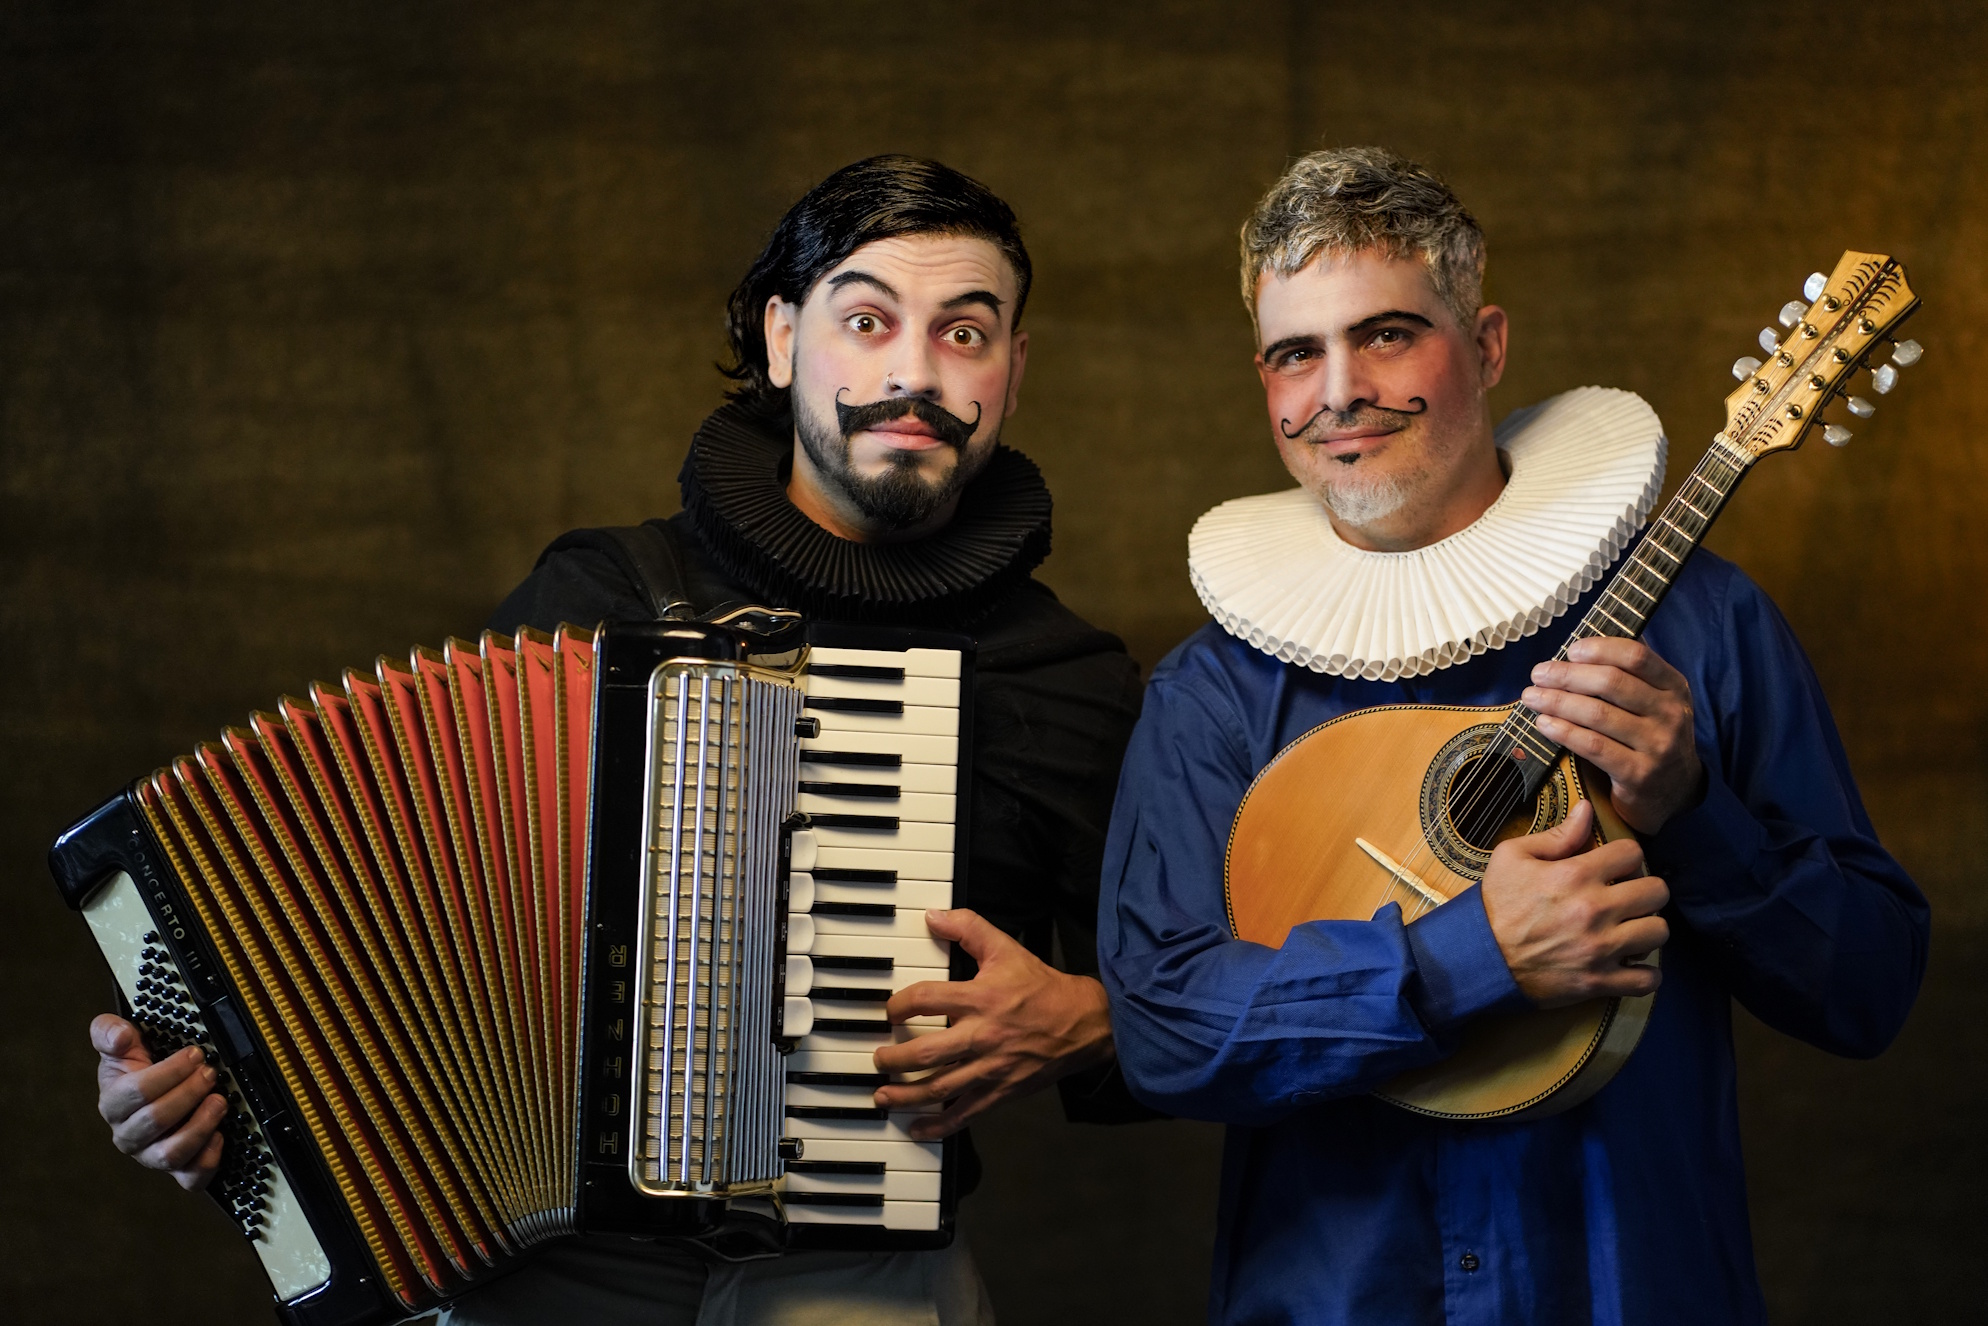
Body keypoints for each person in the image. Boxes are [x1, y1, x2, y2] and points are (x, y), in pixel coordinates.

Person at [89, 154, 1151, 1325]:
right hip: (546, 1272)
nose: (914, 373)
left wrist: (1089, 1019)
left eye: (964, 333)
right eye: (866, 322)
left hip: (858, 1276)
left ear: (1011, 371)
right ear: (783, 340)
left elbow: (1181, 1004)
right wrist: (203, 1099)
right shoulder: (599, 597)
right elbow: (396, 920)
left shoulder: (1065, 677)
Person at [1097, 146, 1929, 1325]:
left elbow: (1868, 991)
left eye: (1386, 334)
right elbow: (1163, 1028)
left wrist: (1694, 815)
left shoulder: (1702, 625)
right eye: (1295, 354)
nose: (1338, 390)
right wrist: (1468, 957)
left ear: (1485, 345)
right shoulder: (1214, 692)